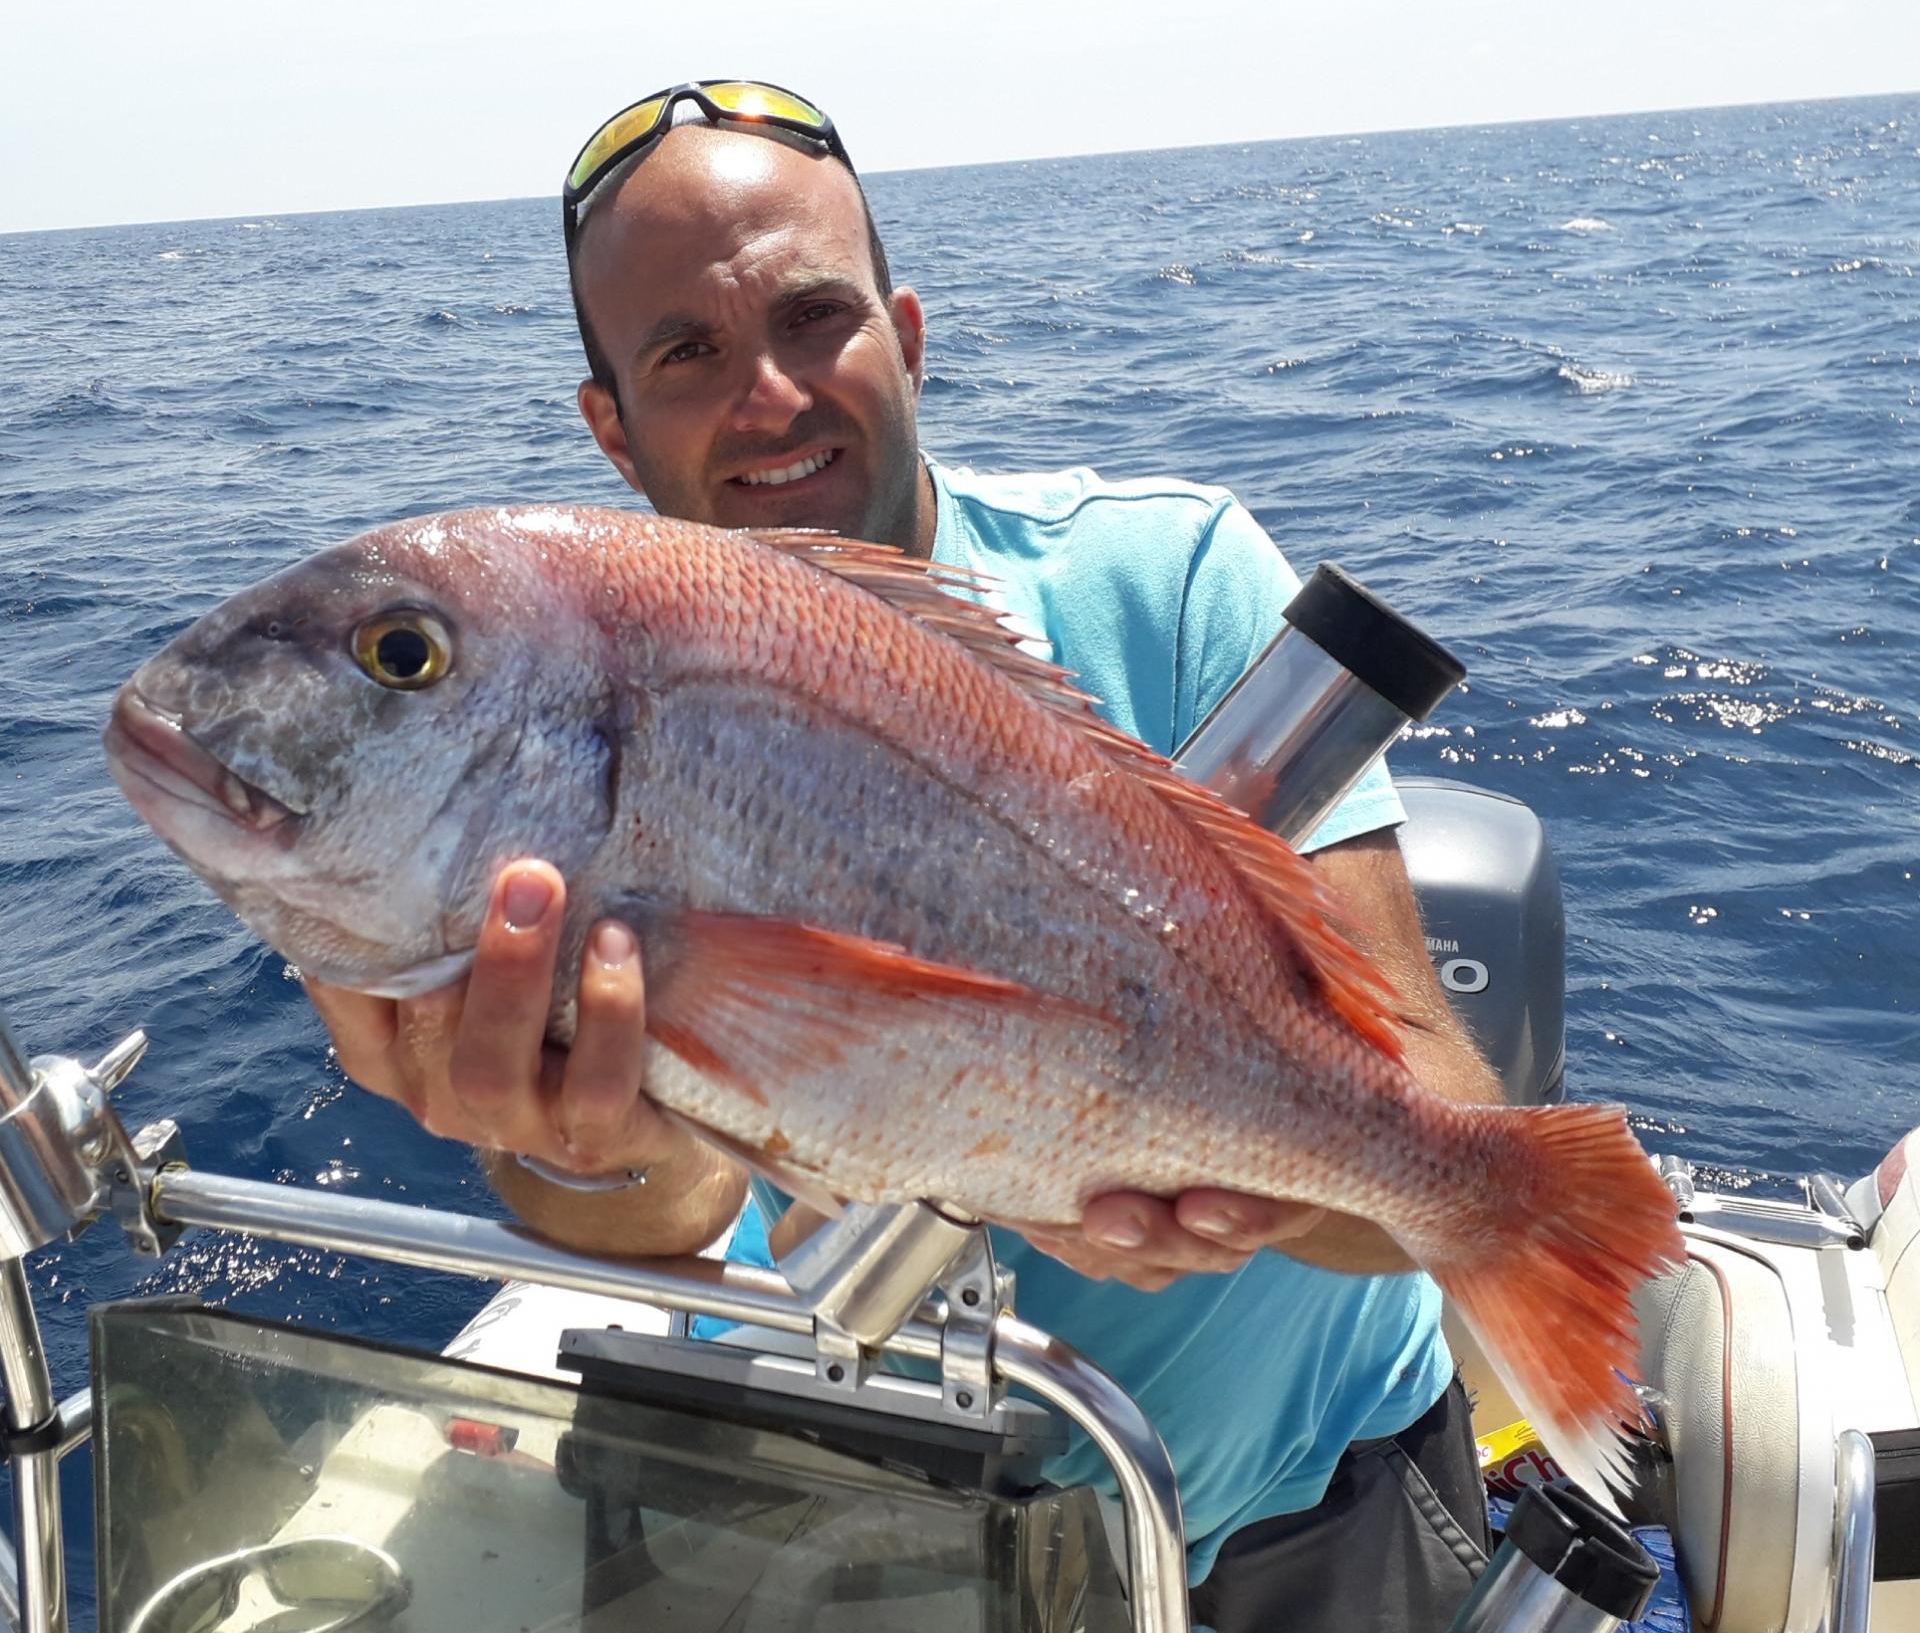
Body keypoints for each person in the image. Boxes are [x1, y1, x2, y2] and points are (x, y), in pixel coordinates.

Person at [306, 81, 1503, 1631]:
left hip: (1307, 1506)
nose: (772, 396)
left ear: (909, 334)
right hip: (870, 1517)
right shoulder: (540, 752)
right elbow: (665, 1219)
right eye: (686, 353)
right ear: (609, 426)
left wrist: (1242, 1176)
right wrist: (566, 1138)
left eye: (816, 317)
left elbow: (1444, 1134)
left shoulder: (1171, 573)